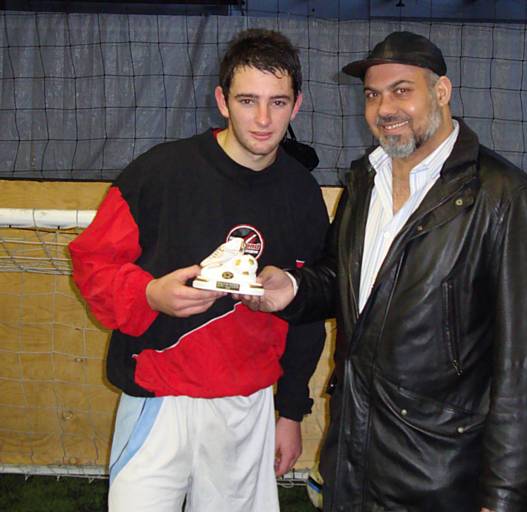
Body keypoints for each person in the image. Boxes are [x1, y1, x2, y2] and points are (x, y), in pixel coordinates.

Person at [245, 31, 527, 512]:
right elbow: (346, 282)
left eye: (401, 90)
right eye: (372, 94)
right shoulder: (365, 179)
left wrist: (504, 499)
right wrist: (291, 287)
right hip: (353, 455)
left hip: (441, 471)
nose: (384, 107)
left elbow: (525, 367)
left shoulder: (500, 196)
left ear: (441, 92)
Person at [69, 28, 329, 512]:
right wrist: (148, 295)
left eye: (278, 102)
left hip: (245, 403)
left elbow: (308, 313)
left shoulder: (303, 196)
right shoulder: (160, 172)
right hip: (158, 396)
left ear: (297, 106)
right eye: (248, 100)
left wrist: (291, 410)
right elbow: (92, 263)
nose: (263, 118)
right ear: (222, 100)